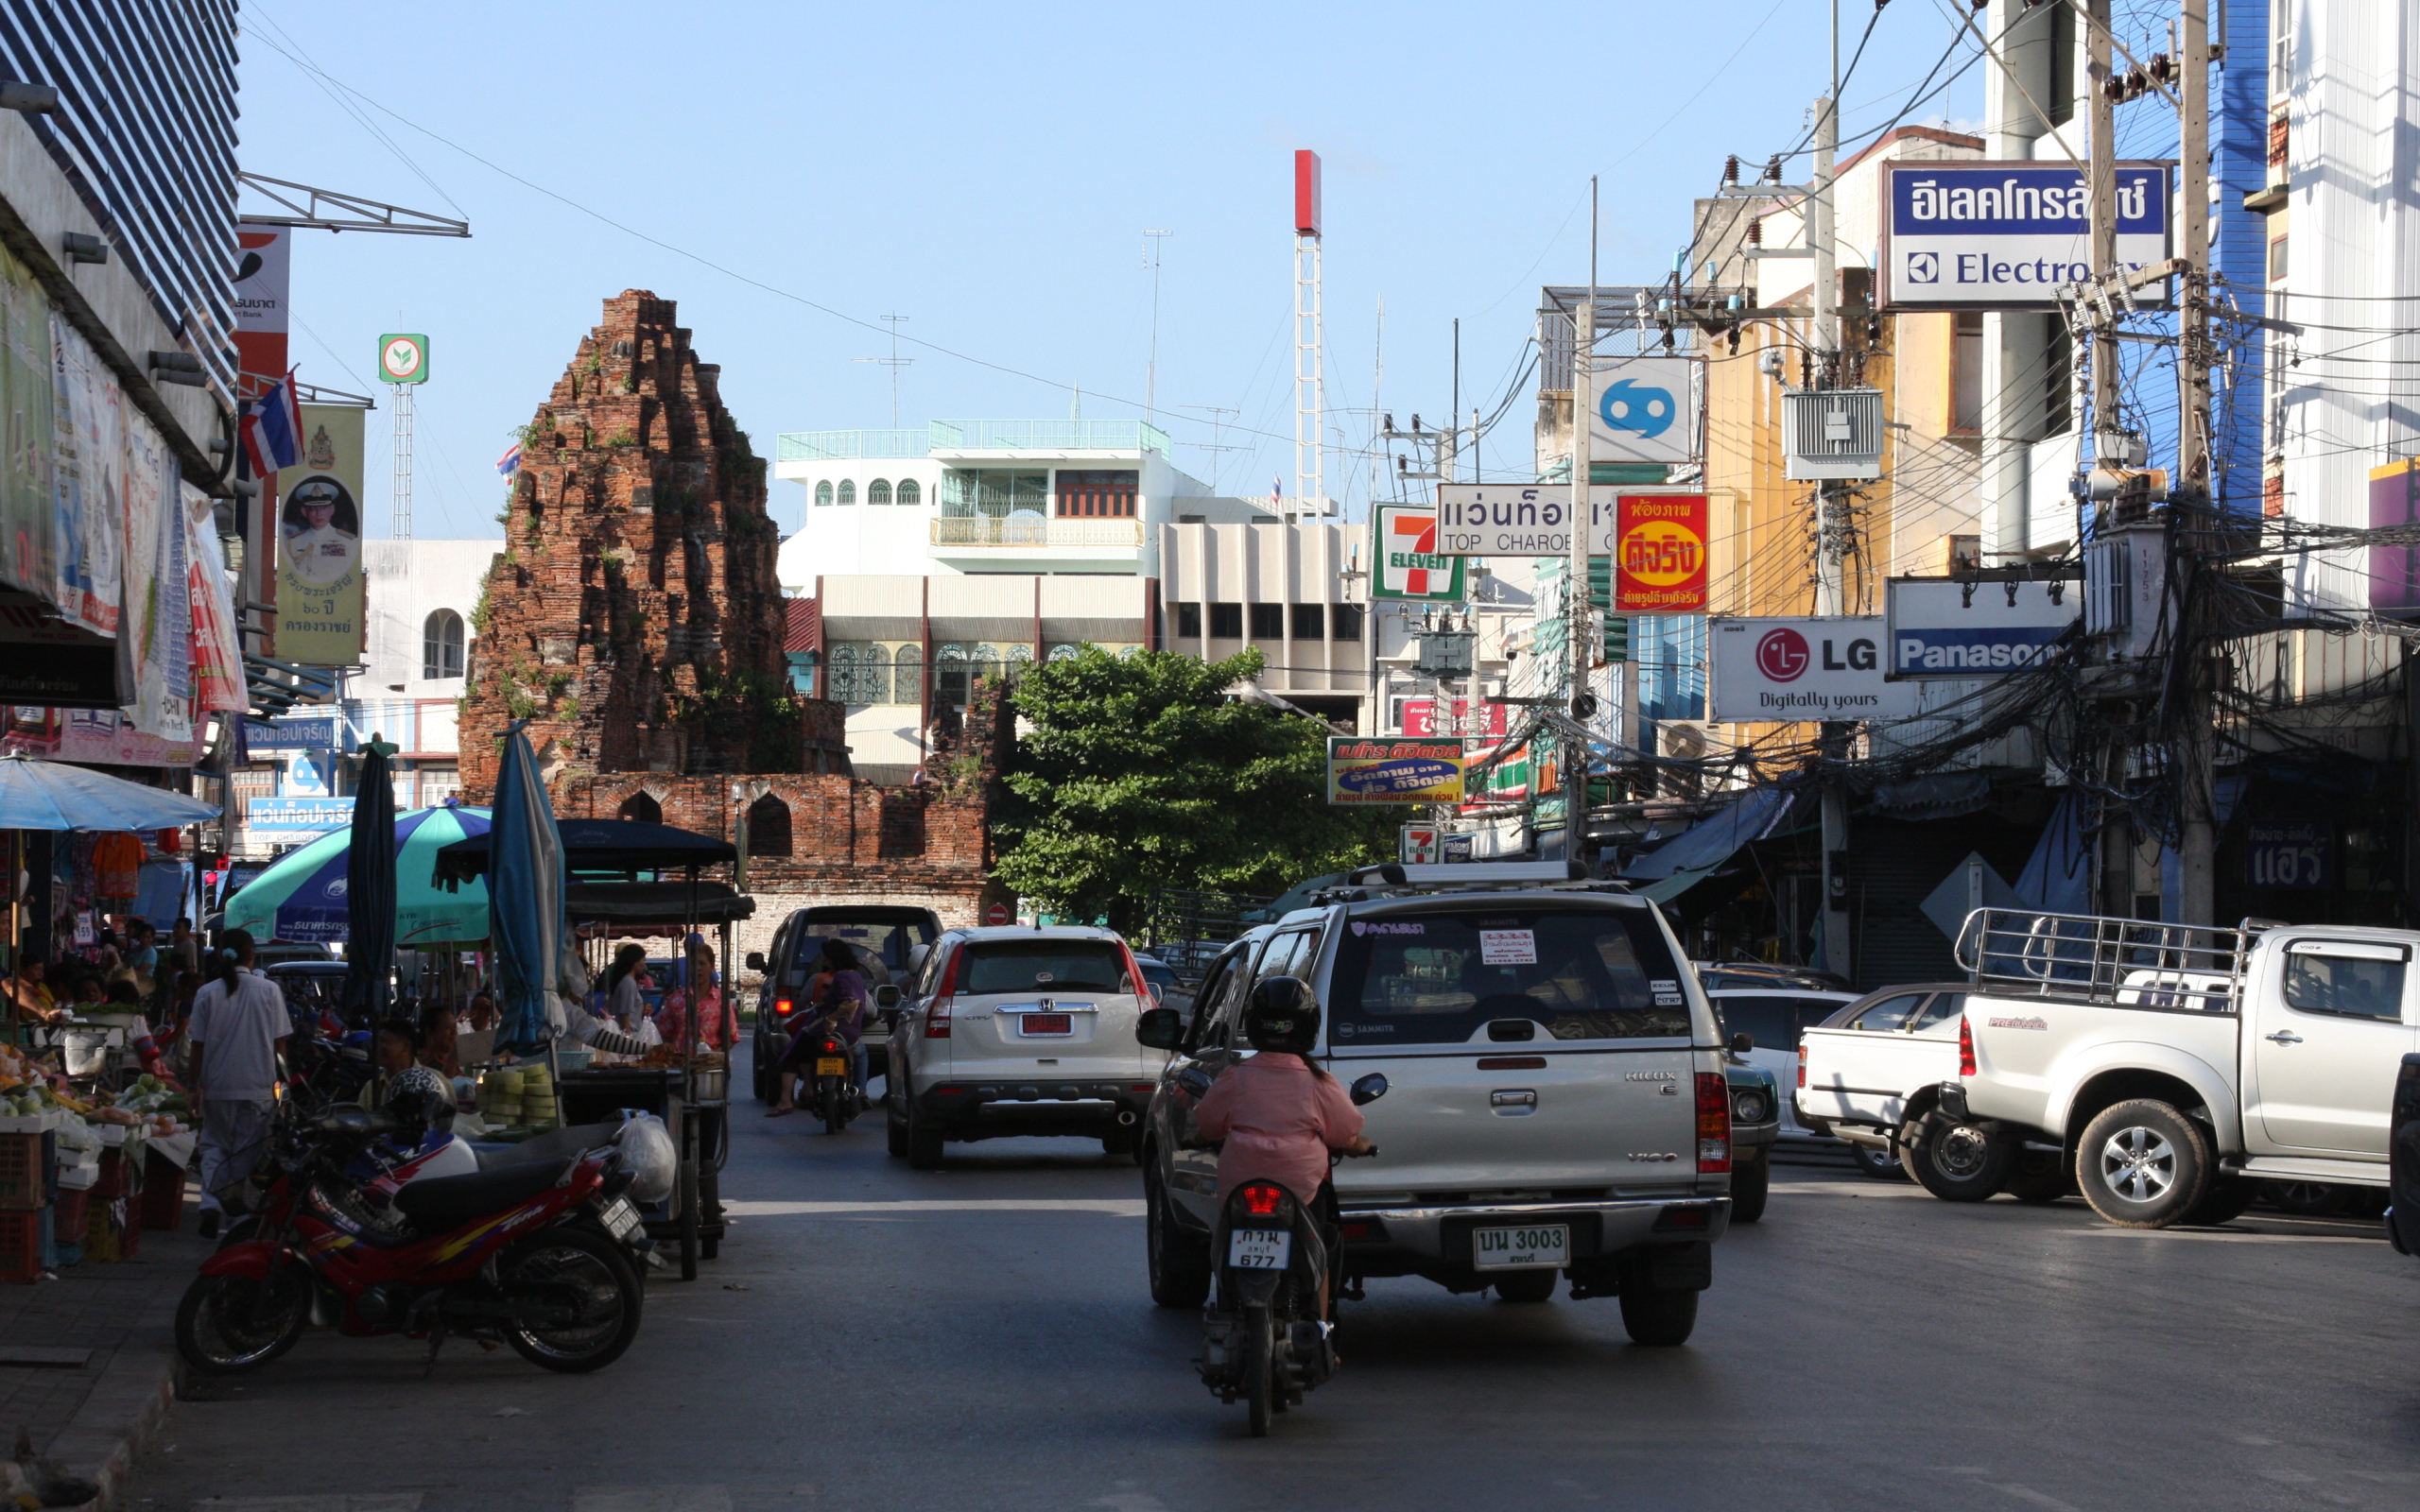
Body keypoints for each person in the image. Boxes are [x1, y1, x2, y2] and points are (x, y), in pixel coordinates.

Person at [1190, 977, 1374, 1317]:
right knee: (1318, 1250)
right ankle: (1319, 1329)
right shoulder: (1318, 1082)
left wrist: (1200, 1137)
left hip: (1240, 1185)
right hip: (1301, 1187)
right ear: (1309, 1027)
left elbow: (1206, 1125)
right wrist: (1362, 1146)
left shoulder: (1235, 1077)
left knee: (1225, 1234)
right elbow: (1346, 1134)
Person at [188, 929, 290, 1241]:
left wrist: (193, 1088)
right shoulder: (269, 990)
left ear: (221, 955)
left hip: (217, 1085)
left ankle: (210, 1204)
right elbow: (279, 1047)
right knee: (246, 1153)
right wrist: (282, 1091)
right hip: (258, 1085)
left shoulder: (207, 993)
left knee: (214, 1146)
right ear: (252, 955)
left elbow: (197, 1046)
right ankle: (239, 1220)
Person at [768, 938, 867, 1117]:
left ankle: (786, 1100)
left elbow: (851, 1001)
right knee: (860, 1052)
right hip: (852, 1033)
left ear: (833, 959)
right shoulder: (857, 976)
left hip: (832, 1029)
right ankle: (859, 1089)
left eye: (827, 958)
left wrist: (831, 1019)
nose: (824, 962)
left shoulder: (842, 976)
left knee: (792, 1054)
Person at [657, 940, 736, 1052]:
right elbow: (664, 1033)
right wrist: (668, 1047)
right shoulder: (676, 998)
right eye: (693, 964)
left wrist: (714, 1055)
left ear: (712, 966)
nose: (698, 968)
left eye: (702, 963)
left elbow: (731, 1037)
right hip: (681, 1063)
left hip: (710, 1065)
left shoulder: (721, 1000)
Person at [281, 476, 359, 587]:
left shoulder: (347, 541)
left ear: (332, 509)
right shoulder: (292, 542)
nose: (318, 514)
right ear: (304, 512)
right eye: (313, 509)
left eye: (323, 508)